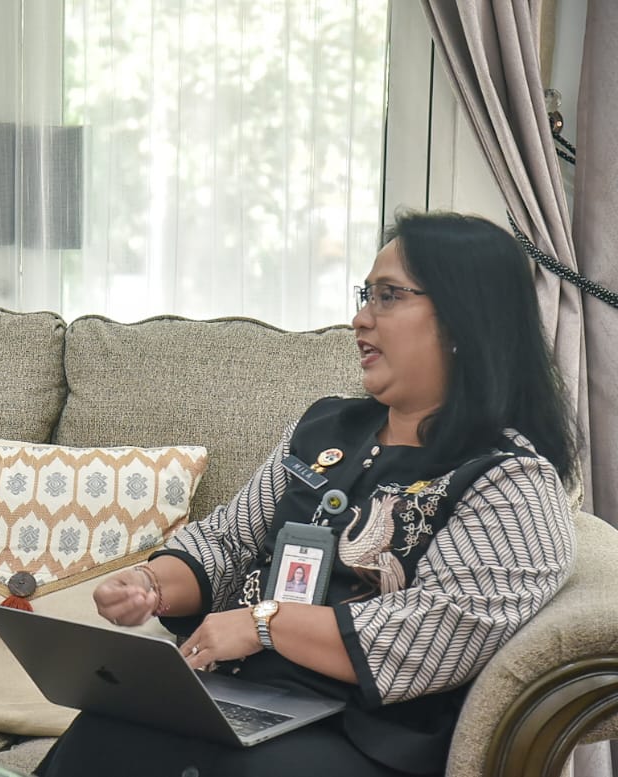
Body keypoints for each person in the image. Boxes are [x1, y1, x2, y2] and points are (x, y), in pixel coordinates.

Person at [35, 211, 578, 777]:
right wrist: (151, 585)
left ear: (466, 318)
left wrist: (263, 622)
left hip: (364, 735)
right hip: (246, 700)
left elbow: (439, 631)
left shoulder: (508, 478)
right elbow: (228, 540)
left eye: (389, 296)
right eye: (366, 295)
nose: (360, 319)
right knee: (105, 730)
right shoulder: (325, 429)